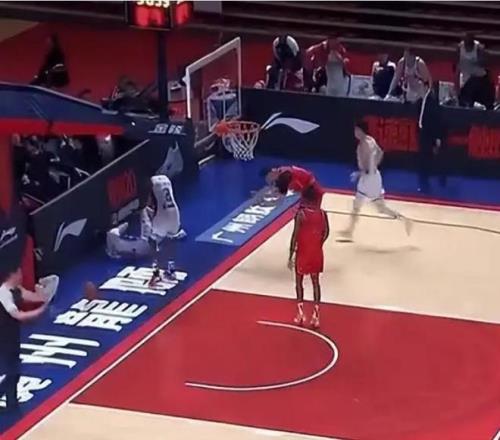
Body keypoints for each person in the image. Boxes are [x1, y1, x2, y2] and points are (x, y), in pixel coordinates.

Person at [339, 121, 413, 241]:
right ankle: (349, 232)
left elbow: (369, 166)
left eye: (357, 130)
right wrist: (372, 167)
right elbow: (380, 152)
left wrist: (361, 173)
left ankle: (405, 220)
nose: (355, 133)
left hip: (371, 179)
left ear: (361, 131)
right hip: (369, 177)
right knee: (357, 204)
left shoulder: (366, 145)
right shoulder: (370, 140)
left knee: (380, 208)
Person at [0, 269, 58, 412]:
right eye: (19, 273)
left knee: (14, 370)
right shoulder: (3, 293)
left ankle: (12, 404)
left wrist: (45, 292)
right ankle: (10, 403)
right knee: (12, 371)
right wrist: (40, 310)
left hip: (12, 334)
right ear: (12, 274)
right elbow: (18, 316)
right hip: (2, 335)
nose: (22, 275)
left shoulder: (17, 289)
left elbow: (35, 297)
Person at [106, 174, 186, 259]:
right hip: (175, 222)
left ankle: (120, 243)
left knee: (143, 211)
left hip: (160, 223)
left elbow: (146, 203)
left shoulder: (148, 183)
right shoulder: (166, 179)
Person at [288, 188, 329, 329]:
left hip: (303, 252)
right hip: (316, 252)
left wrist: (290, 254)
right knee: (316, 283)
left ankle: (300, 314)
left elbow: (294, 236)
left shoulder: (301, 215)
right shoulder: (323, 214)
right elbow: (326, 232)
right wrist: (318, 243)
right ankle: (316, 316)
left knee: (299, 282)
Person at [455, 33, 494, 110]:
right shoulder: (460, 49)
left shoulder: (479, 49)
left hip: (480, 79)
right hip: (467, 82)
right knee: (465, 102)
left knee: (486, 103)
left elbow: (487, 67)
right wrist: (457, 88)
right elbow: (457, 69)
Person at [417, 89, 446, 192]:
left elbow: (437, 121)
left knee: (433, 158)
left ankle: (441, 180)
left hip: (431, 134)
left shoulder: (432, 102)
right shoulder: (421, 99)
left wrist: (437, 138)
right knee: (424, 159)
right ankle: (424, 184)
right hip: (424, 133)